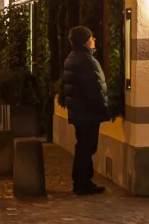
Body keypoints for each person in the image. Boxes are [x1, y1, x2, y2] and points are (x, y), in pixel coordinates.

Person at [61, 25, 110, 196]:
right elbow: (93, 88)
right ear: (85, 41)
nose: (94, 40)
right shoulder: (85, 60)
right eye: (91, 37)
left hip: (80, 111)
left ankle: (83, 181)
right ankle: (82, 183)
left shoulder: (73, 58)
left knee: (83, 146)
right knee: (87, 147)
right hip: (87, 112)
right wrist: (103, 108)